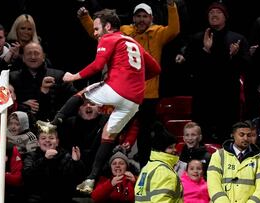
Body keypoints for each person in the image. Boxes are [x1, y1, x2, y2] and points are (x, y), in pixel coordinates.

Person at [51, 8, 160, 193]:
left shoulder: (109, 38)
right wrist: (135, 78)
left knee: (82, 94)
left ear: (108, 26)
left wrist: (74, 76)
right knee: (107, 137)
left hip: (117, 89)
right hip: (134, 100)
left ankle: (53, 123)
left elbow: (97, 65)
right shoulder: (134, 43)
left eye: (96, 28)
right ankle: (91, 179)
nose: (95, 33)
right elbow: (156, 68)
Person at [78, 1, 179, 168]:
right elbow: (98, 33)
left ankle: (144, 169)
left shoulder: (159, 33)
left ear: (151, 18)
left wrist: (171, 6)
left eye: (145, 16)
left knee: (145, 134)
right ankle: (100, 169)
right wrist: (85, 18)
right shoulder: (124, 32)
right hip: (122, 91)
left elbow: (174, 30)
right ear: (133, 18)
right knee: (110, 128)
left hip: (148, 94)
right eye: (138, 16)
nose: (141, 19)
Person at [176, 2, 250, 143]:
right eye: (211, 13)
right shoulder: (197, 39)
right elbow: (190, 67)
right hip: (203, 97)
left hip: (228, 97)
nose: (214, 15)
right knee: (203, 136)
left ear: (225, 17)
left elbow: (246, 67)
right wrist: (205, 50)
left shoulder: (237, 39)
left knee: (226, 136)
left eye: (218, 12)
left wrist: (234, 56)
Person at [10, 42, 78, 121]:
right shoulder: (13, 77)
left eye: (37, 53)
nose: (33, 57)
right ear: (23, 58)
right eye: (29, 54)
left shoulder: (58, 75)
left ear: (43, 57)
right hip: (21, 123)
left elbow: (73, 98)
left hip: (52, 123)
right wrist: (21, 105)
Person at [22, 120, 85, 203]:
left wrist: (76, 162)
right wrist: (45, 160)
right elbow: (27, 176)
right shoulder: (31, 156)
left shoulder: (65, 155)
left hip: (62, 198)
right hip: (37, 198)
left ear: (57, 142)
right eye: (43, 138)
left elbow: (77, 180)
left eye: (51, 138)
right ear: (38, 142)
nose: (47, 140)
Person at [207, 121, 260, 202]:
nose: (246, 138)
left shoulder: (259, 160)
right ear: (233, 135)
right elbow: (213, 185)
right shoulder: (218, 156)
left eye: (249, 135)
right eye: (241, 135)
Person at [134, 122, 183, 202]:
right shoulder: (164, 172)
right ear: (161, 149)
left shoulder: (146, 168)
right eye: (170, 147)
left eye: (174, 147)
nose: (175, 150)